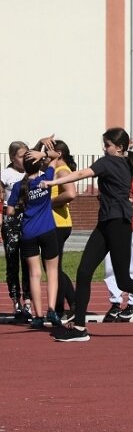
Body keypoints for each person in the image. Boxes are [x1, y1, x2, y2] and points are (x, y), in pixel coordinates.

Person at [40, 127, 133, 342]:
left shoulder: (109, 162)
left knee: (124, 280)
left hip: (118, 224)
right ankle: (80, 328)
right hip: (105, 224)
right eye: (104, 145)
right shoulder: (125, 161)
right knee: (84, 271)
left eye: (107, 145)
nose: (104, 148)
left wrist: (52, 182)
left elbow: (80, 174)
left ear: (118, 148)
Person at [7, 150, 61, 329]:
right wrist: (44, 153)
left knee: (34, 274)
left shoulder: (18, 187)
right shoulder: (46, 179)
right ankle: (51, 310)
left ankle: (38, 316)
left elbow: (10, 211)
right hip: (48, 230)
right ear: (39, 165)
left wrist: (21, 208)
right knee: (52, 273)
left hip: (28, 233)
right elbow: (55, 158)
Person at [104, 151, 133, 322]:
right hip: (112, 227)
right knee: (110, 265)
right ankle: (115, 302)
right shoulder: (111, 182)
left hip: (131, 228)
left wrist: (126, 205)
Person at [40, 137, 77, 322]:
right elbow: (31, 161)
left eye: (47, 154)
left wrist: (49, 202)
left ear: (58, 154)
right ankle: (70, 304)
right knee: (54, 268)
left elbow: (71, 193)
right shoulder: (55, 170)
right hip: (54, 224)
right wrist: (40, 142)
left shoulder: (62, 171)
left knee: (53, 268)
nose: (44, 158)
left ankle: (65, 307)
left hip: (58, 224)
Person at [1, 141, 33, 322]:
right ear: (13, 158)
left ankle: (28, 300)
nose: (25, 159)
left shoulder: (32, 172)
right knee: (12, 262)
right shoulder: (6, 174)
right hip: (11, 220)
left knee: (28, 261)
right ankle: (16, 302)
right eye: (21, 156)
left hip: (28, 219)